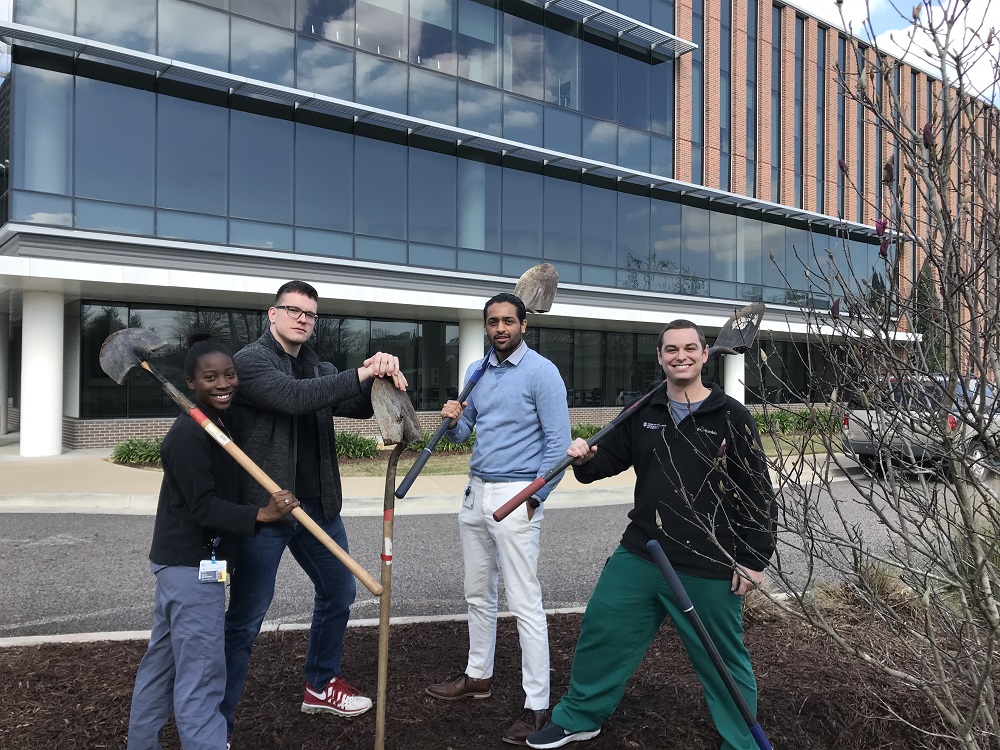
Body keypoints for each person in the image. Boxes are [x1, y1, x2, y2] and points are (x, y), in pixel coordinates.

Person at [527, 320, 776, 750]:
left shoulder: (731, 417)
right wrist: (587, 457)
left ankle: (742, 742)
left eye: (689, 348)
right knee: (602, 631)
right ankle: (580, 717)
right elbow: (608, 461)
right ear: (660, 357)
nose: (681, 356)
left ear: (704, 355)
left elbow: (757, 492)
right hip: (643, 552)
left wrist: (754, 559)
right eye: (671, 349)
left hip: (708, 561)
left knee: (723, 662)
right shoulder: (644, 411)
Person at [222, 280, 407, 737]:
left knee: (338, 592)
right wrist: (360, 373)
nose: (302, 318)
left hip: (317, 509)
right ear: (272, 313)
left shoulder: (318, 365)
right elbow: (294, 397)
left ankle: (320, 686)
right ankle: (213, 719)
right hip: (266, 511)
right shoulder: (251, 362)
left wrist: (380, 374)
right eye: (293, 310)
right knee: (247, 616)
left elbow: (354, 404)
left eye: (310, 313)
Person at [127, 333, 299, 750]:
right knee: (203, 675)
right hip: (190, 569)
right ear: (191, 383)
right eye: (211, 378)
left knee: (163, 664)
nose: (224, 384)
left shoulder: (215, 425)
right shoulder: (187, 436)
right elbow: (202, 506)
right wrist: (260, 514)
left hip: (183, 566)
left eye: (229, 375)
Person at [425, 292, 571, 746]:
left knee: (524, 601)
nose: (500, 328)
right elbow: (468, 433)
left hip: (517, 494)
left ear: (524, 325)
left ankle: (536, 703)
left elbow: (559, 443)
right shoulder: (477, 371)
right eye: (493, 322)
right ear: (486, 326)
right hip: (476, 491)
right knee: (477, 594)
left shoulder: (542, 373)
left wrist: (536, 498)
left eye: (509, 321)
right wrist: (453, 418)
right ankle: (478, 676)